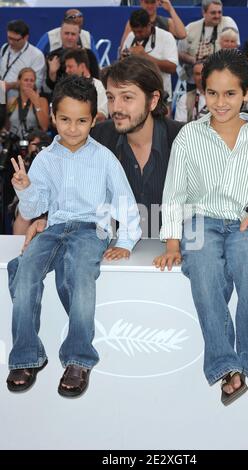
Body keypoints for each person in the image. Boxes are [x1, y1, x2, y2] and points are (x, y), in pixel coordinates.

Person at [21, 56, 248, 258]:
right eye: (112, 98)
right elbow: (61, 180)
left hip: (181, 258)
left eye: (127, 98)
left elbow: (241, 181)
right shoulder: (95, 138)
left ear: (152, 101)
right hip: (112, 259)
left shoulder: (186, 138)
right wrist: (48, 218)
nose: (116, 108)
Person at [154, 49, 248, 405]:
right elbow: (173, 192)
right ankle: (224, 366)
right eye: (213, 93)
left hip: (243, 221)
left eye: (230, 93)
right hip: (197, 220)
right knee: (203, 269)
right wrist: (172, 243)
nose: (221, 102)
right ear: (203, 92)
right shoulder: (189, 136)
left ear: (246, 93)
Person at [6, 75, 141, 398]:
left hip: (90, 230)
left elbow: (126, 202)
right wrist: (24, 188)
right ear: (53, 116)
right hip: (53, 229)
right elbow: (36, 206)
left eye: (81, 120)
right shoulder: (46, 159)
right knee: (23, 273)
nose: (72, 127)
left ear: (94, 120)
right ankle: (27, 356)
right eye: (65, 119)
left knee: (80, 276)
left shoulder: (104, 158)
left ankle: (79, 358)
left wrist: (124, 241)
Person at [121, 9, 178, 107]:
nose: (137, 35)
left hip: (160, 97)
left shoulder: (166, 37)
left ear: (149, 25)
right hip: (134, 96)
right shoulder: (131, 36)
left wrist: (144, 56)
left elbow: (172, 68)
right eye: (135, 32)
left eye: (140, 31)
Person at [178, 0, 240, 89]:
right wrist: (193, 60)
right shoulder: (191, 28)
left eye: (220, 12)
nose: (217, 16)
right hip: (195, 79)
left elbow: (235, 49)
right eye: (213, 13)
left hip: (221, 79)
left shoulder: (228, 22)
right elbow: (180, 53)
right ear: (204, 12)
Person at [0, 20, 46, 99]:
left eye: (15, 40)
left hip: (22, 102)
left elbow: (36, 85)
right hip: (3, 99)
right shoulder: (5, 48)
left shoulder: (36, 55)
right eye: (9, 38)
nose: (11, 42)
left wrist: (11, 86)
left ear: (26, 37)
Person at [120, 0, 186, 49]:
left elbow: (182, 34)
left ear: (158, 2)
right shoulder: (133, 22)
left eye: (153, 2)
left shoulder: (166, 22)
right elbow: (124, 47)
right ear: (141, 2)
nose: (149, 6)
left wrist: (170, 9)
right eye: (146, 2)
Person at [64, 48, 108, 122]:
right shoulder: (65, 87)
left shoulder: (98, 85)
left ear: (82, 67)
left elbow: (102, 115)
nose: (67, 70)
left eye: (70, 67)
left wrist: (78, 119)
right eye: (66, 67)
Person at [6, 67, 49, 139]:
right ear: (19, 81)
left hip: (33, 143)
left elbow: (45, 127)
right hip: (14, 143)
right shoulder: (12, 102)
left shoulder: (41, 101)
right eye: (26, 80)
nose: (29, 83)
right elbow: (6, 126)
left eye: (32, 80)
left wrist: (36, 103)